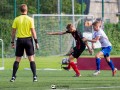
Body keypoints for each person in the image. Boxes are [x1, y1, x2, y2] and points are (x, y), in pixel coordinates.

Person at [10, 4, 39, 82]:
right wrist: (36, 42)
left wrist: (12, 41)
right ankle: (34, 77)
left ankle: (13, 77)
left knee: (17, 59)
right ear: (27, 10)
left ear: (20, 10)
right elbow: (33, 31)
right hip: (28, 40)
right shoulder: (30, 19)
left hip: (19, 40)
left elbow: (13, 32)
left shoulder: (16, 19)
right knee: (31, 58)